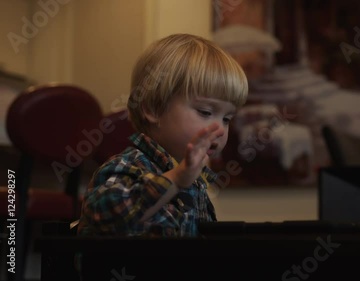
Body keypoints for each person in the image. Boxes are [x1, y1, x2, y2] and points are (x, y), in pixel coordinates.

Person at [77, 33, 248, 238]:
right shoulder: (127, 167)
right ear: (154, 109)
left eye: (227, 119)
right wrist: (175, 180)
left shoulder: (194, 181)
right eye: (205, 112)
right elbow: (110, 217)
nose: (220, 129)